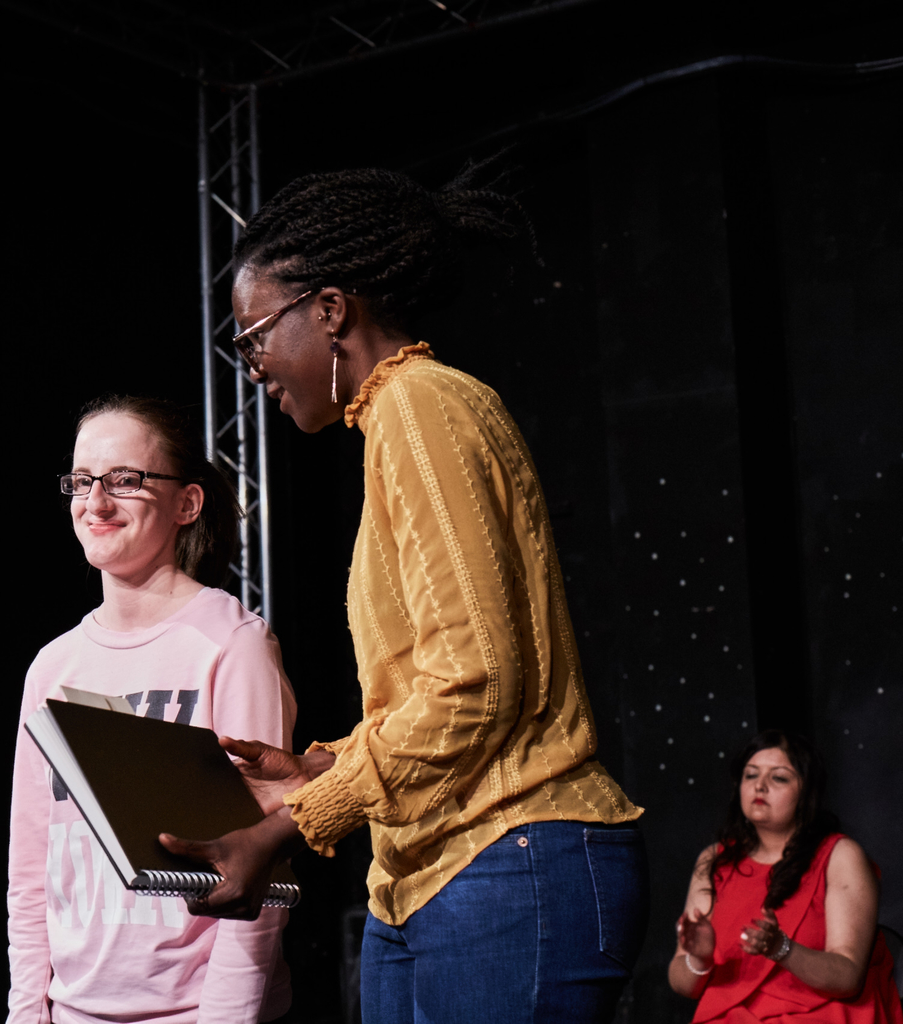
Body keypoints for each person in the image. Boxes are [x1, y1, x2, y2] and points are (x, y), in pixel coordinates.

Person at [158, 166, 647, 1023]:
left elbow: (480, 685)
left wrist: (287, 825)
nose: (254, 369)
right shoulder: (396, 423)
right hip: (430, 871)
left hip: (510, 857)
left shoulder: (421, 408)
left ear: (332, 310)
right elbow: (445, 685)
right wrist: (327, 764)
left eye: (255, 337)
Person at [7, 396, 297, 1024]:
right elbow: (31, 868)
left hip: (193, 1012)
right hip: (72, 1011)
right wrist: (29, 1010)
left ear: (186, 504)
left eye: (125, 480)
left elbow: (261, 872)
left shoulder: (231, 645)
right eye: (83, 482)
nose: (97, 502)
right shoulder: (52, 669)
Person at [670, 731, 903, 1023]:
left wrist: (782, 949)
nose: (760, 785)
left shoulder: (840, 855)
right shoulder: (714, 859)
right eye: (750, 775)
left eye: (779, 778)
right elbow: (683, 984)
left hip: (820, 1014)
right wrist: (699, 959)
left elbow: (847, 977)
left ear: (806, 793)